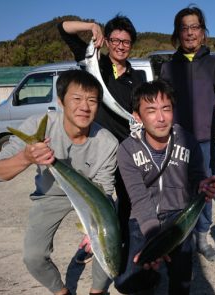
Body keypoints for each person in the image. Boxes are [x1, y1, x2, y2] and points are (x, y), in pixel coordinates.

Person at [0, 70, 118, 295]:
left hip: (91, 196)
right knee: (33, 255)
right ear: (60, 101)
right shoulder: (40, 126)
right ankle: (61, 293)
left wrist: (94, 231)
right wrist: (26, 157)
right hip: (50, 194)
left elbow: (104, 189)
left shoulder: (107, 141)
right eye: (77, 99)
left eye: (92, 100)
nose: (84, 107)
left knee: (109, 240)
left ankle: (98, 291)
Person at [113, 80, 215, 295]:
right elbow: (138, 198)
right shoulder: (127, 149)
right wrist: (155, 242)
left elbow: (197, 177)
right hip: (141, 218)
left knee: (182, 272)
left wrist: (204, 185)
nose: (161, 118)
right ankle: (148, 283)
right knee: (125, 281)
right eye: (151, 110)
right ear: (137, 116)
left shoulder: (188, 140)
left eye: (166, 108)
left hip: (178, 216)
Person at [159, 5, 215, 261]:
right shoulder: (168, 67)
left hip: (207, 142)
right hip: (177, 141)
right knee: (178, 190)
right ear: (177, 34)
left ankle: (203, 239)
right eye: (184, 28)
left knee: (206, 191)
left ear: (203, 32)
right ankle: (182, 237)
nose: (190, 33)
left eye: (195, 27)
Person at [58, 15, 146, 250]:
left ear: (131, 45)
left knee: (127, 199)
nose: (120, 46)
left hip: (127, 147)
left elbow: (141, 110)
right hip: (97, 147)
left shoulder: (138, 77)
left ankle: (122, 244)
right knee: (97, 200)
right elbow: (64, 29)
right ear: (106, 41)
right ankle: (95, 241)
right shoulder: (93, 63)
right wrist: (90, 27)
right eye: (115, 40)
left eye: (126, 42)